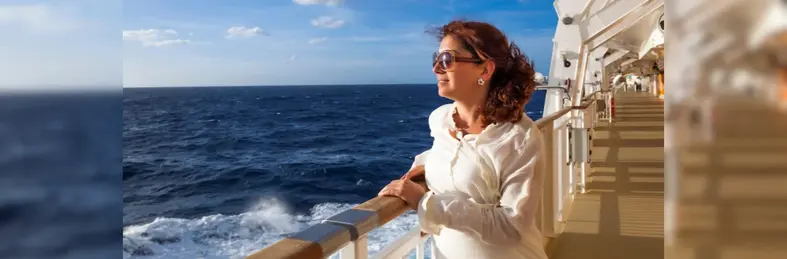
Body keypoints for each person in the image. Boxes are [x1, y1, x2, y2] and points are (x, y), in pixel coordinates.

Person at [378, 19, 548, 259]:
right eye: (436, 59)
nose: (437, 68)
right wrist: (423, 168)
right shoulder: (440, 120)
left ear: (485, 70)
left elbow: (511, 227)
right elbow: (453, 153)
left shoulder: (518, 137)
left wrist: (427, 205)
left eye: (447, 59)